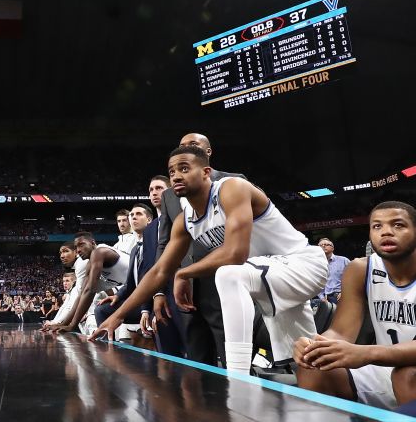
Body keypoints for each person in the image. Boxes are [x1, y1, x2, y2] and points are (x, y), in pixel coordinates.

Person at [91, 145, 327, 376]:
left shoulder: (232, 188)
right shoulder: (186, 220)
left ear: (206, 172)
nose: (176, 176)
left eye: (184, 168)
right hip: (272, 277)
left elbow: (235, 254)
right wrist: (117, 315)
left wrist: (184, 273)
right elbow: (159, 271)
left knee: (228, 274)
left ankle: (238, 378)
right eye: (172, 172)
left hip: (303, 264)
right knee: (307, 359)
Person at [294, 201, 416, 409]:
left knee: (407, 375)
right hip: (386, 366)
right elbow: (341, 332)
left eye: (398, 225)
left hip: (403, 371)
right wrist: (315, 345)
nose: (386, 232)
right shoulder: (360, 269)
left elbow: (368, 354)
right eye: (377, 226)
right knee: (315, 365)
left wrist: (366, 352)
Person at [155, 132, 246, 364]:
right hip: (186, 287)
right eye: (181, 146)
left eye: (192, 145)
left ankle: (242, 397)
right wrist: (158, 291)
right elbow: (164, 243)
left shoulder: (235, 181)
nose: (185, 149)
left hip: (224, 277)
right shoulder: (168, 196)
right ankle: (206, 401)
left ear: (208, 153)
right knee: (197, 359)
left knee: (233, 355)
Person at [52, 231, 130, 334]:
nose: (78, 250)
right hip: (130, 290)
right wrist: (64, 324)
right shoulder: (90, 264)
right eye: (76, 247)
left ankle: (104, 343)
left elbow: (90, 290)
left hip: (143, 290)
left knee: (100, 310)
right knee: (99, 308)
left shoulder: (99, 252)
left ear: (92, 243)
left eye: (82, 245)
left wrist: (72, 325)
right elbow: (82, 295)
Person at [94, 203, 154, 334]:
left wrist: (146, 309)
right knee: (101, 308)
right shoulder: (131, 249)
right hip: (129, 293)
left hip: (152, 297)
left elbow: (152, 277)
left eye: (137, 214)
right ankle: (105, 347)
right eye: (131, 215)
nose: (133, 218)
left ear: (149, 220)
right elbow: (131, 280)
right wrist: (117, 295)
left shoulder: (154, 242)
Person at [317, 238, 350, 304]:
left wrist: (345, 291)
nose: (323, 246)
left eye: (326, 244)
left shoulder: (343, 260)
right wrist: (322, 298)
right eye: (321, 245)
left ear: (332, 248)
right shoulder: (317, 265)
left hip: (345, 296)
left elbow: (354, 277)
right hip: (328, 300)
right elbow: (317, 283)